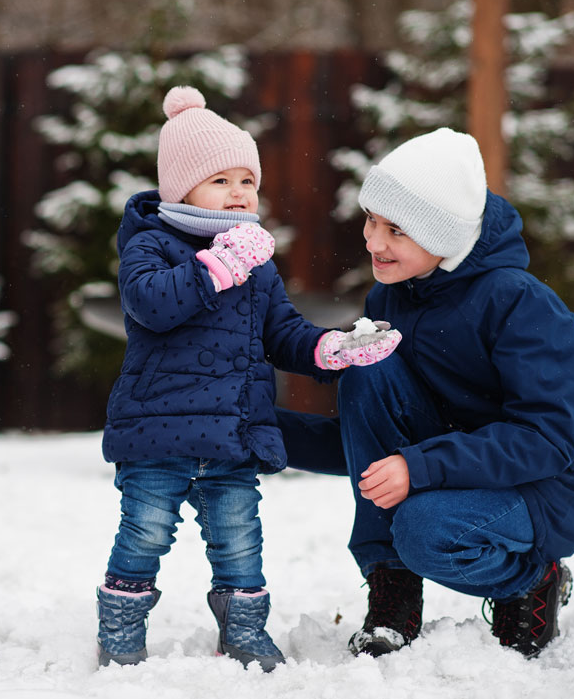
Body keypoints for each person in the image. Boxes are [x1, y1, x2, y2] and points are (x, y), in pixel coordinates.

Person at [96, 86, 402, 671]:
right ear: (180, 187)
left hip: (233, 436)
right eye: (222, 180)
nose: (239, 192)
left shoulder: (256, 260)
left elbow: (281, 332)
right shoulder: (150, 245)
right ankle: (120, 628)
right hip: (156, 436)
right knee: (144, 536)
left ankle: (243, 631)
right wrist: (219, 264)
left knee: (239, 542)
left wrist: (330, 348)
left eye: (248, 181)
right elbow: (152, 304)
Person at [338, 128, 574, 659]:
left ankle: (533, 580)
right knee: (365, 369)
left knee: (425, 530)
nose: (373, 242)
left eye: (395, 229)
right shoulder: (392, 293)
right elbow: (369, 435)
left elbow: (545, 440)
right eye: (371, 220)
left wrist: (419, 466)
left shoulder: (520, 304)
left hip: (549, 480)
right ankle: (392, 590)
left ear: (441, 235)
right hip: (458, 458)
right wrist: (258, 434)